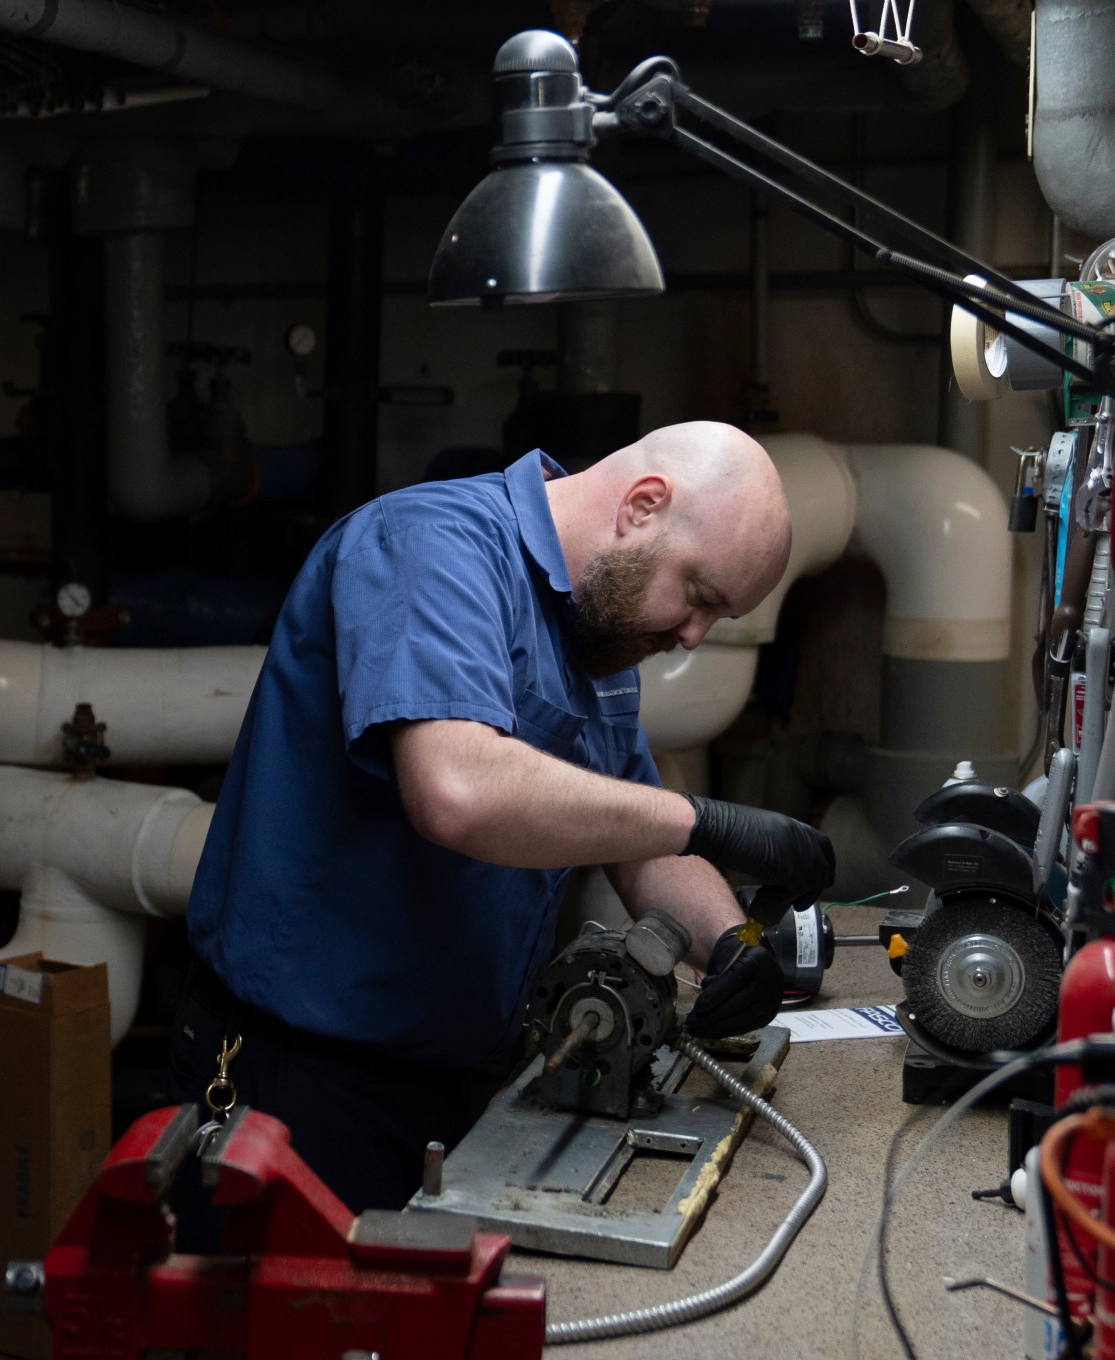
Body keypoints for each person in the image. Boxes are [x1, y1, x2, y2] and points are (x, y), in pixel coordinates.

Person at [172, 421, 835, 1217]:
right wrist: (706, 820)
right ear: (642, 506)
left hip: (447, 1077)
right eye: (698, 596)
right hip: (299, 1079)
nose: (693, 635)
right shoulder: (432, 549)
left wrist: (733, 946)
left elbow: (640, 840)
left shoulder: (599, 635)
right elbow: (457, 789)